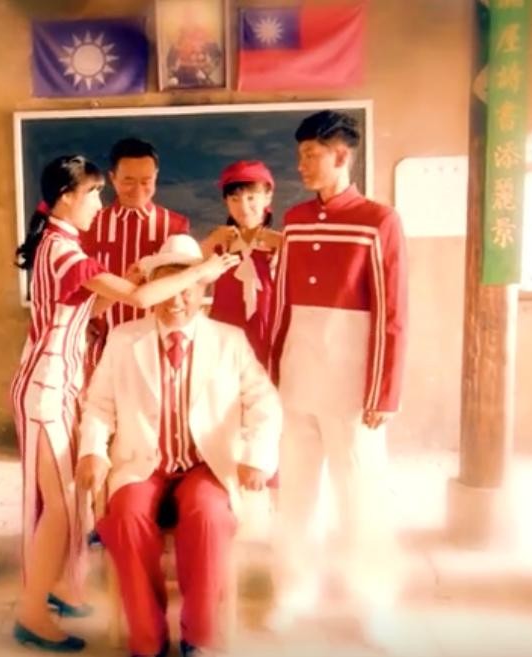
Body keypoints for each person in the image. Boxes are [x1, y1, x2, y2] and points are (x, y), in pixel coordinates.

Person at [10, 156, 239, 653]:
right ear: (67, 197)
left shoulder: (62, 243)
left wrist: (129, 278)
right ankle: (31, 612)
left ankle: (60, 586)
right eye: (94, 193)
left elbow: (92, 304)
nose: (100, 204)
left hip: (60, 382)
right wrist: (202, 271)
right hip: (46, 387)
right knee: (59, 508)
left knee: (68, 502)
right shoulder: (63, 250)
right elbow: (140, 300)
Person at [77, 234, 282, 657]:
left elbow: (264, 402)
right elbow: (98, 405)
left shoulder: (228, 340)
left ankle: (198, 637)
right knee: (126, 517)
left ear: (201, 288)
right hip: (142, 464)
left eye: (187, 288)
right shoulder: (124, 339)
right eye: (168, 287)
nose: (176, 300)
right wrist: (93, 451)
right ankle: (147, 639)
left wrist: (256, 457)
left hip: (205, 465)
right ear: (154, 289)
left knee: (209, 517)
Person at [266, 110, 409, 642]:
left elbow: (394, 312)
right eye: (300, 154)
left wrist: (384, 392)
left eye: (312, 154)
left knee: (359, 496)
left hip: (352, 387)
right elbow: (282, 304)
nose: (302, 164)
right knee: (296, 496)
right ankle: (293, 592)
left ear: (342, 155)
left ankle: (373, 601)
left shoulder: (378, 220)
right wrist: (271, 372)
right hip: (298, 378)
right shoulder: (297, 218)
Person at [81, 138, 190, 369]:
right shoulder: (90, 223)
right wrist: (84, 321)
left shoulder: (175, 226)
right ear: (112, 178)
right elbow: (79, 285)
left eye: (146, 181)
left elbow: (183, 286)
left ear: (156, 177)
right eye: (128, 181)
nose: (138, 189)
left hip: (157, 346)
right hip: (103, 345)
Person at [200, 159, 282, 368]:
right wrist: (210, 243)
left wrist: (286, 244)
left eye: (251, 198)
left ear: (268, 196)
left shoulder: (280, 244)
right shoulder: (219, 244)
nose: (243, 207)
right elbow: (190, 276)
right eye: (234, 199)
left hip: (269, 336)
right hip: (223, 336)